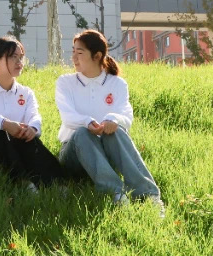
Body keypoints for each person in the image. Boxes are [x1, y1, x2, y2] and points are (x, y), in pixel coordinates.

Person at [55, 29, 164, 214]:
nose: (73, 57)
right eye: (73, 51)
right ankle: (116, 194)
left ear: (97, 56)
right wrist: (88, 122)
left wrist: (112, 119)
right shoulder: (65, 82)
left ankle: (148, 195)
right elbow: (67, 117)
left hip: (106, 153)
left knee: (117, 130)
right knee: (82, 132)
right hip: (74, 154)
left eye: (79, 52)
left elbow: (126, 115)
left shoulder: (117, 84)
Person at [0, 35, 67, 190]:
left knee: (32, 142)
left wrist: (33, 128)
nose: (19, 62)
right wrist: (4, 124)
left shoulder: (26, 92)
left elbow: (34, 116)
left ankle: (55, 184)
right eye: (13, 57)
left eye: (21, 57)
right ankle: (23, 183)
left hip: (18, 142)